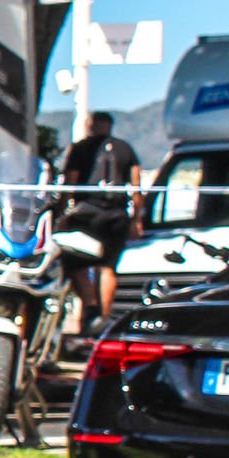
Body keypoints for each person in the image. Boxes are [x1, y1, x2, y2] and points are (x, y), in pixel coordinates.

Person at [60, 112, 141, 323]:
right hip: (117, 214)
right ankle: (103, 318)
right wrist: (136, 219)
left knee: (76, 264)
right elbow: (136, 185)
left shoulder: (80, 147)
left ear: (92, 125)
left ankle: (90, 306)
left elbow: (70, 182)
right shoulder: (125, 148)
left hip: (87, 213)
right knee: (108, 267)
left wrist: (62, 214)